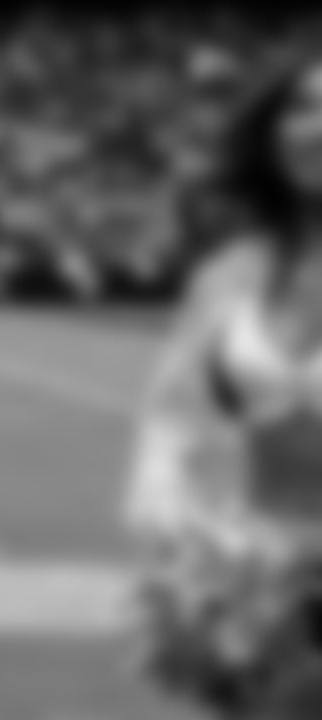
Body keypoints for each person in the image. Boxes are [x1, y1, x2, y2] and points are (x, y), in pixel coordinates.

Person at [126, 54, 322, 717]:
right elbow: (170, 408)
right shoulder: (232, 270)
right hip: (260, 583)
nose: (314, 127)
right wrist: (164, 497)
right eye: (299, 106)